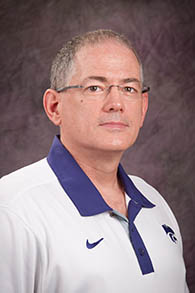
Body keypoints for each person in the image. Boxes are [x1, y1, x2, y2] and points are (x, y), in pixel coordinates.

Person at [0, 29, 189, 293]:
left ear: (143, 107)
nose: (116, 103)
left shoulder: (155, 203)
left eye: (128, 88)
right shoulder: (11, 210)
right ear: (55, 106)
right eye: (95, 87)